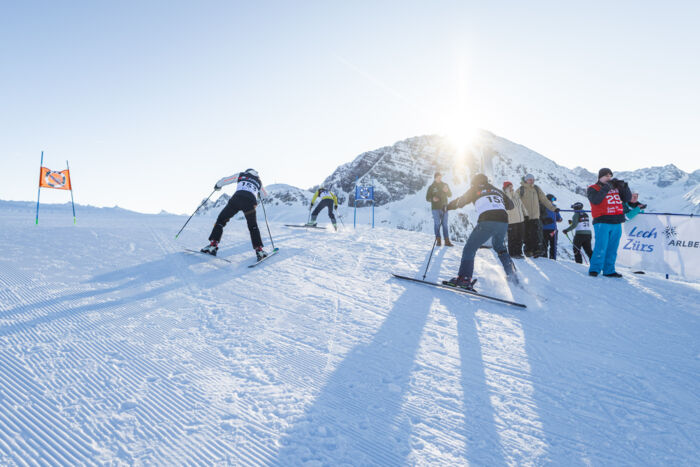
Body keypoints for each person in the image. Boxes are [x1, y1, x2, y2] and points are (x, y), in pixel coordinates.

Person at [444, 173, 517, 290]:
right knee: (500, 247)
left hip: (487, 220)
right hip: (503, 222)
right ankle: (513, 276)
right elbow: (511, 205)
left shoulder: (475, 189)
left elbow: (460, 202)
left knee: (469, 248)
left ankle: (464, 278)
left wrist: (447, 206)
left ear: (474, 182)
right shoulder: (496, 190)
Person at [201, 168, 268, 260]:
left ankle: (213, 245)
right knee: (253, 226)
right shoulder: (258, 182)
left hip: (237, 199)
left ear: (247, 171)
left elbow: (226, 180)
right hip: (250, 202)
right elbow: (264, 195)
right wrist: (259, 194)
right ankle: (259, 250)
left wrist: (218, 185)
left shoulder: (242, 175)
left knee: (221, 220)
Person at [587, 168, 633, 277]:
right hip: (602, 221)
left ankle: (609, 270)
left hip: (617, 221)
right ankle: (594, 269)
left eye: (610, 175)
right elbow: (596, 200)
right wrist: (606, 188)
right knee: (601, 246)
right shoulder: (592, 188)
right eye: (606, 176)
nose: (609, 178)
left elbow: (627, 198)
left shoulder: (615, 188)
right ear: (600, 177)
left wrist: (625, 187)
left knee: (613, 248)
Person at [516, 173, 559, 257]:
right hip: (525, 216)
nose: (531, 181)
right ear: (526, 180)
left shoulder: (536, 188)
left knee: (536, 234)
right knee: (526, 234)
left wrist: (553, 208)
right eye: (529, 179)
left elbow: (544, 199)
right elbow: (515, 201)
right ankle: (528, 250)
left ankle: (536, 250)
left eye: (533, 179)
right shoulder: (521, 189)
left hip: (535, 216)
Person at [425, 172, 453, 246]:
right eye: (438, 177)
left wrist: (447, 191)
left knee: (445, 224)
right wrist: (432, 199)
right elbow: (427, 198)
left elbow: (450, 195)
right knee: (437, 224)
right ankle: (438, 240)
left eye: (440, 177)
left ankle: (447, 241)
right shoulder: (431, 187)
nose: (439, 178)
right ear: (435, 178)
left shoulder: (445, 185)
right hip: (435, 208)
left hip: (444, 207)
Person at [503, 181, 528, 258]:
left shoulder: (516, 194)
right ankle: (512, 253)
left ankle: (519, 252)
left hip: (520, 220)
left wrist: (526, 214)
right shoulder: (504, 195)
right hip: (511, 220)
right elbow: (508, 201)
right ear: (505, 187)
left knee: (520, 237)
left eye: (511, 186)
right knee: (512, 238)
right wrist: (507, 192)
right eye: (509, 186)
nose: (511, 187)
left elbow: (521, 205)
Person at [540, 194, 563, 259]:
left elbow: (559, 219)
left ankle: (545, 257)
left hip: (546, 229)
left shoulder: (542, 207)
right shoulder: (553, 207)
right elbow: (559, 219)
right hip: (551, 229)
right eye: (552, 200)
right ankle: (551, 257)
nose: (552, 201)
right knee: (552, 245)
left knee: (546, 245)